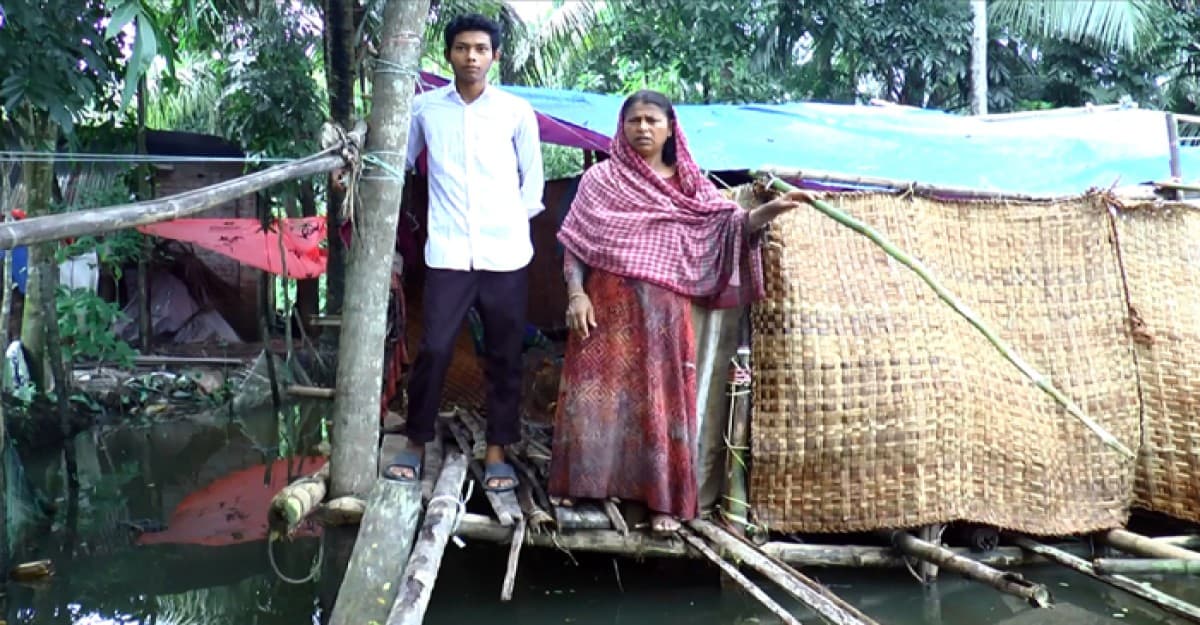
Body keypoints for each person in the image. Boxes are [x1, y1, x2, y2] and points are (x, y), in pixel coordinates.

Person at [549, 90, 812, 532]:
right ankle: (589, 487)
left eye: (652, 119)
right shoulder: (600, 181)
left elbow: (729, 225)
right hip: (603, 313)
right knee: (597, 402)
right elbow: (575, 243)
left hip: (664, 319)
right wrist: (576, 294)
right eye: (634, 120)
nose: (643, 128)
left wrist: (766, 213)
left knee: (660, 404)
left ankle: (662, 504)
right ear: (621, 126)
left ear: (671, 127)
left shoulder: (689, 184)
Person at [384, 13, 544, 491]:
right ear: (448, 54)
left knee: (503, 353)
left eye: (480, 49)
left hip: (506, 255)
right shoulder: (425, 110)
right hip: (448, 253)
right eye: (461, 48)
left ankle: (497, 450)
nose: (471, 57)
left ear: (494, 56)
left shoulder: (516, 112)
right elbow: (398, 166)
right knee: (433, 349)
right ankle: (414, 443)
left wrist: (509, 223)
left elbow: (532, 183)